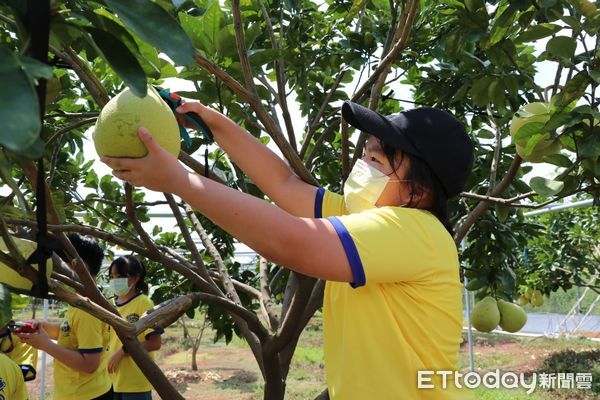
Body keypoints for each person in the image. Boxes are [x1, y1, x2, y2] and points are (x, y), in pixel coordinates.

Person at [101, 99, 475, 399]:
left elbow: (291, 240)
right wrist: (214, 123)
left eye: (376, 160)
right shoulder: (358, 214)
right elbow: (282, 183)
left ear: (418, 191)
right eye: (365, 153)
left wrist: (179, 180)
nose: (363, 165)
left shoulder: (415, 231)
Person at [17, 233, 113, 400]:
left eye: (61, 263)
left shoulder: (86, 309)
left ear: (79, 266)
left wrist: (46, 345)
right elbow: (73, 335)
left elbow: (90, 364)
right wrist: (45, 326)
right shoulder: (81, 300)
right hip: (85, 392)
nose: (55, 270)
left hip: (84, 395)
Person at [107, 255, 162, 400]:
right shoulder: (109, 304)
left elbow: (155, 343)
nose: (114, 281)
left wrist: (123, 351)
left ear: (135, 277)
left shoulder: (144, 303)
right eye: (111, 277)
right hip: (110, 381)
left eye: (119, 276)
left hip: (136, 382)